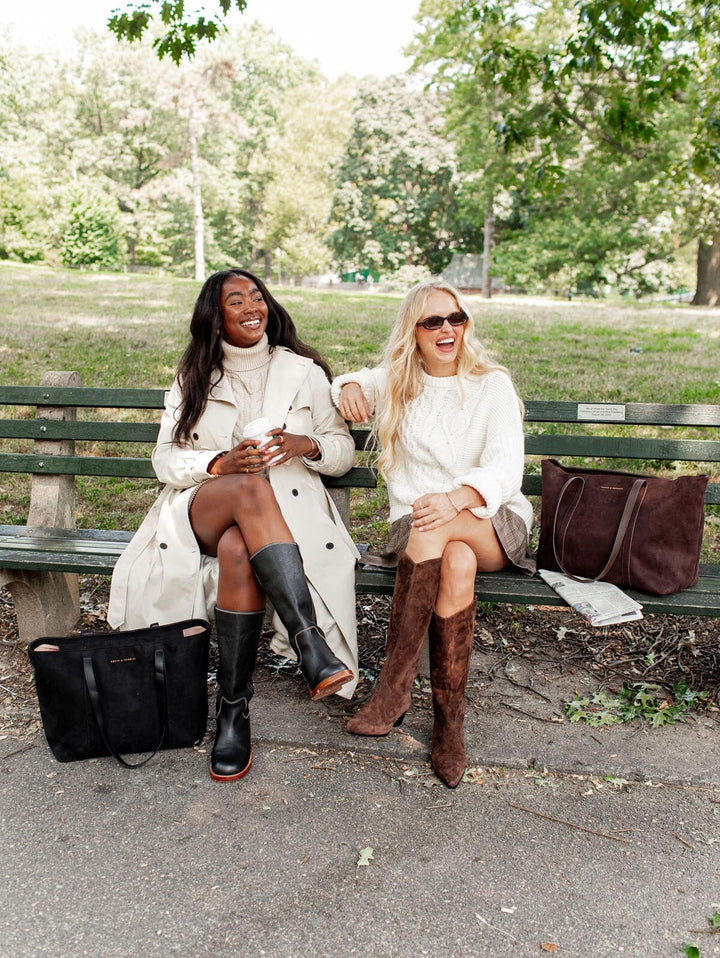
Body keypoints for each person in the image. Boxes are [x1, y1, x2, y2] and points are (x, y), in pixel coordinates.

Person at [108, 268, 360, 783]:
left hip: (283, 516)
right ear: (215, 315)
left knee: (239, 549)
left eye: (257, 296)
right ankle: (310, 643)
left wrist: (304, 446)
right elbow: (165, 459)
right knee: (246, 488)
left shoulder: (304, 371)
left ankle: (232, 709)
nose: (251, 306)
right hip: (201, 509)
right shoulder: (194, 377)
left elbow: (343, 450)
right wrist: (219, 464)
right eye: (235, 300)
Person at [332, 280, 534, 788]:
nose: (448, 329)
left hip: (490, 517)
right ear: (413, 333)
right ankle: (450, 723)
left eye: (456, 318)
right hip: (425, 526)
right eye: (433, 322)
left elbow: (507, 469)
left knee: (441, 533)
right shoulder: (399, 382)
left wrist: (455, 499)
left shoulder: (493, 385)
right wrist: (350, 387)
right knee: (454, 561)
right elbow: (346, 383)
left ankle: (393, 690)